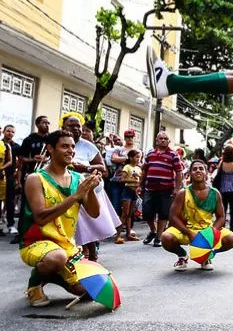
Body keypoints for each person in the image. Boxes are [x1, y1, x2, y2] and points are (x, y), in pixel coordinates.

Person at [18, 130, 102, 307]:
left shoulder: (78, 179)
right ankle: (34, 284)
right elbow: (40, 218)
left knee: (88, 291)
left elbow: (95, 213)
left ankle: (52, 276)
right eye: (65, 146)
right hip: (35, 242)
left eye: (72, 146)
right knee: (56, 258)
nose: (70, 150)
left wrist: (91, 190)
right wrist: (74, 197)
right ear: (50, 148)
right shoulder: (36, 179)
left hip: (64, 245)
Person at [161, 160, 233, 271]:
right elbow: (173, 217)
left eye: (201, 169)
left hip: (207, 230)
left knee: (231, 239)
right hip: (186, 230)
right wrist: (189, 233)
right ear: (190, 173)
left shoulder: (215, 193)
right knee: (165, 237)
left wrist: (211, 234)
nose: (198, 171)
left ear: (206, 173)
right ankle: (182, 256)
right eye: (194, 169)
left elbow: (221, 217)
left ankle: (206, 256)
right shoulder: (183, 193)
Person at [61, 114, 118, 261]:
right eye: (71, 126)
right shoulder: (57, 143)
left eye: (78, 126)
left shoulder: (88, 146)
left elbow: (103, 169)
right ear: (63, 128)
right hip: (64, 188)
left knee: (87, 221)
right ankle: (73, 251)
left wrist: (85, 168)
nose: (75, 129)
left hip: (86, 189)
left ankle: (91, 252)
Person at [139, 131, 184, 248]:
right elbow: (144, 170)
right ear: (156, 140)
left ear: (168, 141)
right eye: (161, 138)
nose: (163, 140)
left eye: (165, 138)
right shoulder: (150, 154)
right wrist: (140, 185)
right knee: (147, 213)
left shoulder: (173, 155)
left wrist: (177, 188)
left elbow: (179, 172)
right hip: (149, 189)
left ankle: (158, 237)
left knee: (163, 214)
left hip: (166, 189)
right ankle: (153, 231)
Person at [11, 116, 50, 243]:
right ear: (37, 124)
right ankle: (22, 233)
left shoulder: (51, 139)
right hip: (31, 175)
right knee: (25, 205)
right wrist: (34, 159)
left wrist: (47, 160)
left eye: (48, 123)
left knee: (45, 205)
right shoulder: (29, 139)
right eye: (44, 123)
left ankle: (43, 233)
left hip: (47, 175)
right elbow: (21, 158)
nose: (47, 125)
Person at [216, 144, 233, 236]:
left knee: (222, 210)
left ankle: (222, 229)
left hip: (222, 189)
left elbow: (218, 173)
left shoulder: (222, 163)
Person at [119, 149, 142, 242]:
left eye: (139, 157)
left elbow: (141, 180)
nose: (138, 159)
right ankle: (117, 236)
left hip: (134, 192)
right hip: (127, 190)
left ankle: (128, 234)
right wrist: (134, 181)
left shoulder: (138, 168)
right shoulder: (127, 167)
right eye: (136, 157)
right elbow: (122, 179)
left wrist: (138, 180)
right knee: (124, 214)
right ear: (131, 157)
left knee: (130, 214)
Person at [2, 124, 20, 238]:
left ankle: (11, 224)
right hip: (0, 175)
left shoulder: (16, 147)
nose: (10, 133)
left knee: (10, 201)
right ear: (4, 131)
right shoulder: (0, 144)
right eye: (8, 131)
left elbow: (20, 163)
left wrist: (18, 179)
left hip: (10, 176)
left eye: (12, 132)